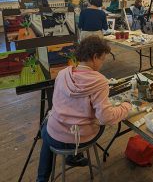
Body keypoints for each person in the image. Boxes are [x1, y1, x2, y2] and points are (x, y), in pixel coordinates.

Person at [36, 36, 132, 182]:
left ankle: (42, 179)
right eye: (102, 59)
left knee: (48, 130)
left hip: (56, 134)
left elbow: (57, 104)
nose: (102, 64)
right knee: (97, 123)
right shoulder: (99, 81)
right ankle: (73, 155)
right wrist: (126, 106)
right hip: (79, 137)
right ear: (94, 57)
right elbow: (106, 118)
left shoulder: (62, 74)